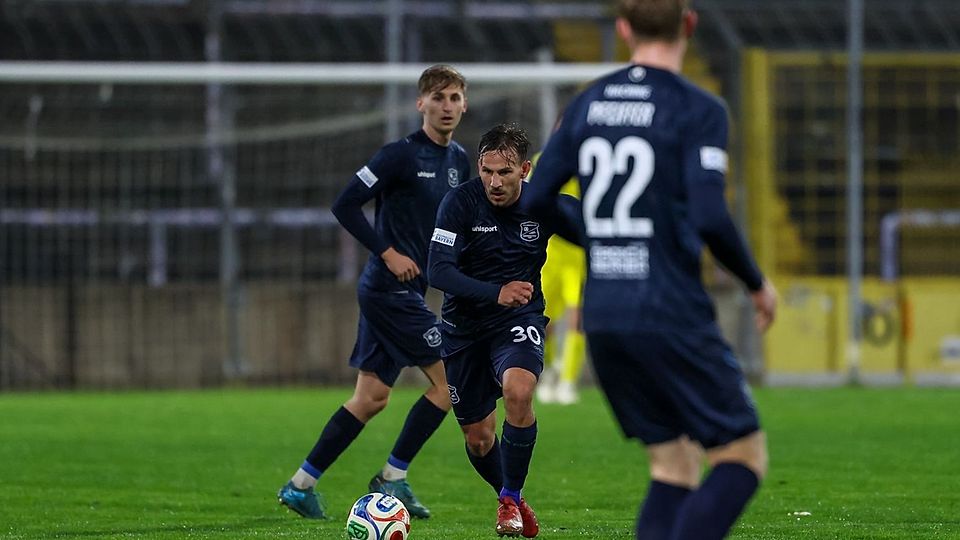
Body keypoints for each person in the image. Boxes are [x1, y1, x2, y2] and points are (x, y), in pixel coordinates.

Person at [522, 1, 778, 539]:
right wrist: (756, 283)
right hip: (668, 308)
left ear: (623, 29)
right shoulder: (697, 107)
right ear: (689, 24)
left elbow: (537, 196)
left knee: (673, 465)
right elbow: (710, 214)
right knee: (742, 457)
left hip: (607, 314)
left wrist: (599, 236)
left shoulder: (589, 103)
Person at [277, 64, 470, 520]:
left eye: (455, 98)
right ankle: (392, 478)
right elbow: (344, 204)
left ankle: (300, 485)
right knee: (454, 380)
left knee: (370, 399)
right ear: (420, 103)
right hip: (388, 291)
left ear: (465, 104)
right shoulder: (398, 155)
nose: (447, 107)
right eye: (438, 98)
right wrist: (387, 252)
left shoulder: (461, 161)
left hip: (412, 293)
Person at [427, 123, 582, 537]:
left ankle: (509, 498)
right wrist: (496, 292)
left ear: (526, 170)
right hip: (463, 330)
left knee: (518, 390)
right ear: (479, 166)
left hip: (519, 321)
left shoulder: (543, 205)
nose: (494, 182)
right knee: (478, 439)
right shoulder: (458, 203)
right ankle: (510, 497)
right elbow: (437, 270)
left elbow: (596, 232)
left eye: (505, 173)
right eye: (488, 171)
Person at [534, 169, 587, 405]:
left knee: (577, 316)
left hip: (577, 256)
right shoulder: (542, 163)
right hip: (550, 255)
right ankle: (548, 371)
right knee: (545, 319)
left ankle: (568, 379)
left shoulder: (586, 163)